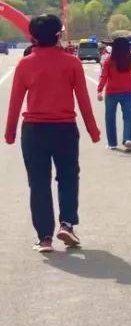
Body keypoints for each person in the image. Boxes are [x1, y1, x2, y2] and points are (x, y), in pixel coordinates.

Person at [5, 14, 101, 253]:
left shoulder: (25, 64)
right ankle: (67, 224)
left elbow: (15, 102)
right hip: (64, 130)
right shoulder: (72, 63)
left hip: (34, 132)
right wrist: (93, 130)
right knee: (68, 177)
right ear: (58, 35)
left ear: (33, 37)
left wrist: (9, 133)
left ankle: (45, 237)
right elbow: (83, 101)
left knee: (38, 183)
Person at [97, 35, 131, 152]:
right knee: (128, 116)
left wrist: (99, 90)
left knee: (110, 117)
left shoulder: (108, 60)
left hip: (112, 92)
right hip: (128, 91)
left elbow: (104, 76)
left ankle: (112, 143)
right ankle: (128, 139)